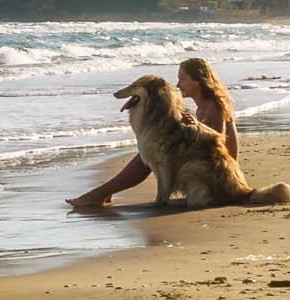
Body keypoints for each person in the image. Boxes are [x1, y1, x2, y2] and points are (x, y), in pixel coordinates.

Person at [69, 56, 238, 210]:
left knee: (151, 152)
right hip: (205, 165)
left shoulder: (213, 106)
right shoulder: (203, 105)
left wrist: (197, 126)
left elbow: (219, 143)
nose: (178, 85)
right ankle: (103, 193)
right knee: (154, 147)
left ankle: (100, 194)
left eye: (182, 79)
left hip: (218, 173)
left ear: (198, 81)